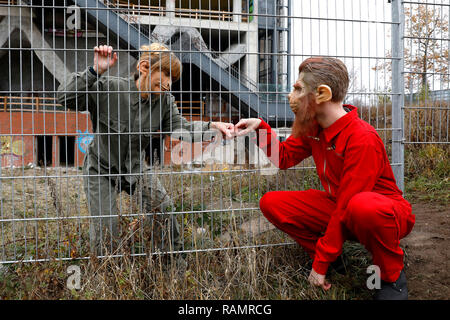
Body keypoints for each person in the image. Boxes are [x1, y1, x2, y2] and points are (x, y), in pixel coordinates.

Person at [234, 57, 416, 300]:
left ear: (322, 93)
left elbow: (349, 203)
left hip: (382, 214)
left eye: (298, 89)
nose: (291, 95)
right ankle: (334, 258)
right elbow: (284, 158)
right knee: (272, 202)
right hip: (344, 208)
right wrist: (260, 128)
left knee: (362, 206)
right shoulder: (315, 129)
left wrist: (317, 266)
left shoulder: (362, 137)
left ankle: (391, 276)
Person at [57, 43, 234, 256]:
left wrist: (214, 126)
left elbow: (184, 129)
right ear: (144, 67)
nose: (169, 84)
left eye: (173, 79)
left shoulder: (165, 101)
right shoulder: (110, 89)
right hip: (100, 170)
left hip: (136, 169)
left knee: (165, 214)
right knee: (106, 229)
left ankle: (170, 271)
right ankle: (104, 280)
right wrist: (95, 71)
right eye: (166, 74)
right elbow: (65, 98)